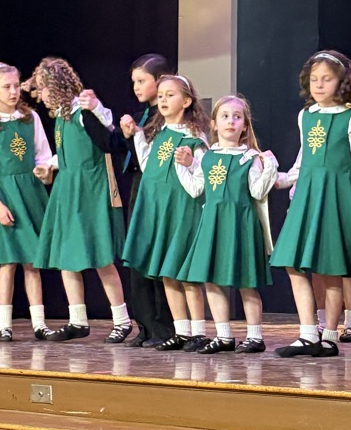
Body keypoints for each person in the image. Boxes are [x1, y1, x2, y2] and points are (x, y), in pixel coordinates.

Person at [271, 50, 351, 357]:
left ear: (341, 82)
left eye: (326, 79)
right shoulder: (307, 115)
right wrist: (283, 180)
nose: (319, 84)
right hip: (308, 194)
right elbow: (304, 159)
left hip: (336, 196)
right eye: (314, 79)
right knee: (293, 262)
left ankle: (327, 336)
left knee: (332, 267)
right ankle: (308, 332)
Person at [30, 57, 132, 343]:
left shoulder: (83, 114)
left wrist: (98, 110)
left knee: (100, 256)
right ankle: (77, 320)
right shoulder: (62, 118)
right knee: (67, 257)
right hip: (67, 189)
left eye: (43, 88)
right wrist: (50, 165)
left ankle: (122, 320)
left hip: (90, 189)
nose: (41, 95)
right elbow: (67, 153)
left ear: (57, 86)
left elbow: (108, 142)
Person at [176, 94, 278, 353]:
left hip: (240, 224)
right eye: (224, 116)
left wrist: (269, 167)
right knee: (212, 280)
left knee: (246, 282)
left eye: (237, 117)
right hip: (213, 223)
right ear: (214, 124)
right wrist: (182, 166)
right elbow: (196, 188)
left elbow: (257, 191)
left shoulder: (250, 157)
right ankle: (223, 335)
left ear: (245, 125)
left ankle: (255, 336)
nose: (231, 121)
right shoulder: (207, 157)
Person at [121, 73, 210, 351]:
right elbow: (149, 166)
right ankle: (181, 331)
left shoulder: (194, 137)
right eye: (160, 96)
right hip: (160, 210)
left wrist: (190, 162)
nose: (163, 100)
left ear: (186, 101)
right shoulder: (159, 134)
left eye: (170, 95)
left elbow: (202, 180)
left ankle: (198, 331)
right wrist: (137, 134)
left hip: (181, 212)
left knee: (185, 275)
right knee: (167, 273)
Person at [0, 62, 54, 342]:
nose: (13, 92)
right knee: (7, 263)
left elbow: (43, 155)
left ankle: (39, 323)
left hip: (30, 193)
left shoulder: (30, 118)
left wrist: (43, 170)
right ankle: (4, 325)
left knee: (32, 262)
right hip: (5, 197)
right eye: (6, 87)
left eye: (16, 86)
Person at [119, 54, 175, 347]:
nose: (136, 87)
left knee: (157, 256)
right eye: (134, 82)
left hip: (160, 190)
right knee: (138, 255)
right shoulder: (143, 115)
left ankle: (163, 327)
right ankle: (145, 325)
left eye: (142, 81)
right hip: (140, 188)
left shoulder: (168, 119)